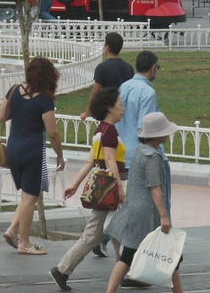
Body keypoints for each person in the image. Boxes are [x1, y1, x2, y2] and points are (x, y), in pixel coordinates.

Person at [51, 87, 127, 292]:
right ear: (110, 107)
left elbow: (89, 161)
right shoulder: (109, 131)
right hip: (110, 187)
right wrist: (120, 186)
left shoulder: (100, 130)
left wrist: (75, 184)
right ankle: (62, 270)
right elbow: (110, 159)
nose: (123, 108)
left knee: (107, 231)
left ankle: (126, 272)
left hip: (102, 187)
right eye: (120, 104)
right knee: (105, 231)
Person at [103, 112, 183, 293]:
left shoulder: (139, 151)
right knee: (170, 255)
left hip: (135, 209)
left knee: (129, 256)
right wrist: (164, 215)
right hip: (148, 213)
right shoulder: (153, 157)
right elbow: (155, 188)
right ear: (157, 135)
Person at [0, 56, 64, 256]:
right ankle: (24, 243)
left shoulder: (14, 90)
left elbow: (1, 116)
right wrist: (60, 155)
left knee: (30, 195)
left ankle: (12, 230)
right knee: (30, 197)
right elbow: (52, 133)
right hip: (32, 150)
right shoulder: (45, 101)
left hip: (14, 148)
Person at [117, 51, 160, 168]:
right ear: (153, 68)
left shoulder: (124, 86)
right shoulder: (148, 92)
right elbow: (145, 129)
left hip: (119, 153)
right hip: (137, 158)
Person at [81, 32, 135, 120]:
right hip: (125, 112)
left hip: (110, 113)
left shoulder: (102, 67)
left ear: (107, 47)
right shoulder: (128, 67)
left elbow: (95, 93)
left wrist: (87, 112)